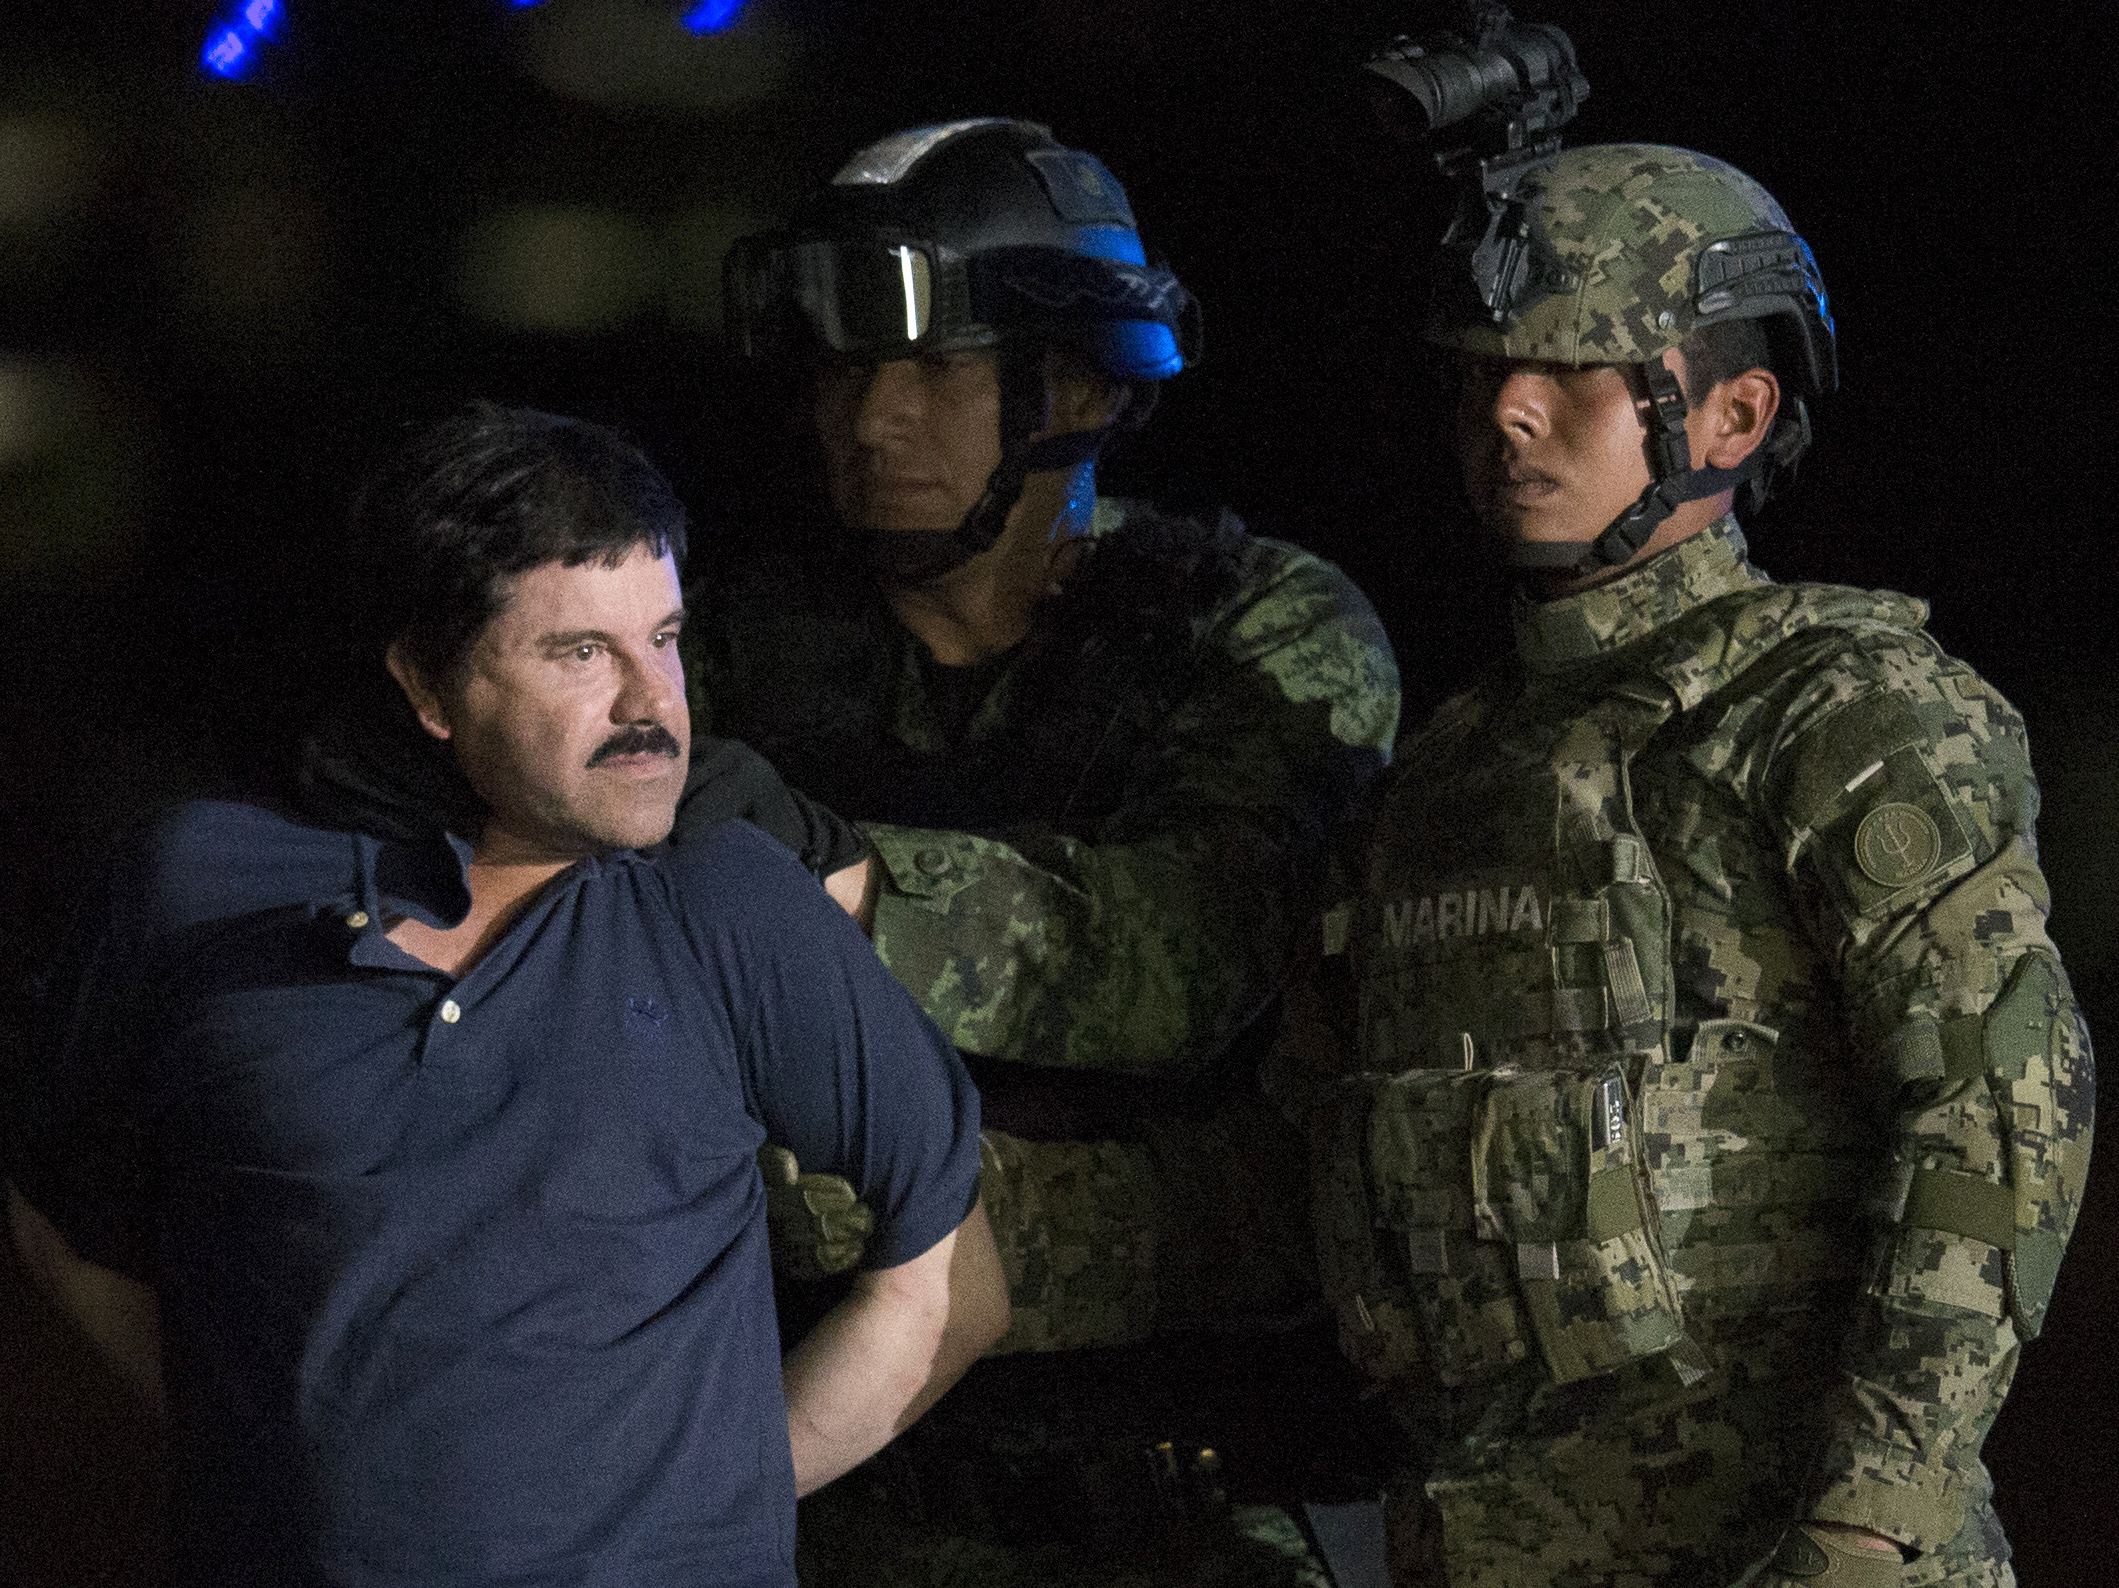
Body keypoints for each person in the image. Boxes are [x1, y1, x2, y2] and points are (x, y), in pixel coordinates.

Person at [3, 403, 1011, 1588]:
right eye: (580, 651)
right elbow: (60, 1216)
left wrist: (687, 1505)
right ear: (427, 683)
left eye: (667, 638)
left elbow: (953, 1288)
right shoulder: (199, 888)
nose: (654, 703)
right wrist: (266, 1449)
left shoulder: (726, 900)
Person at [1292, 143, 2094, 1586]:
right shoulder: (1446, 774)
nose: (1506, 412)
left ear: (1731, 414)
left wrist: (1865, 1526)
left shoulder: (1835, 707)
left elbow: (1996, 1118)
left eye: (1571, 370)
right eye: (1476, 371)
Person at [693, 119, 1403, 1583]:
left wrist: (828, 883)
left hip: (1166, 1491)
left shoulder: (1252, 629)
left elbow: (1183, 959)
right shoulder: (733, 647)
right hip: (832, 1489)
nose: (869, 417)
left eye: (933, 367)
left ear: (1074, 383)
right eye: (841, 368)